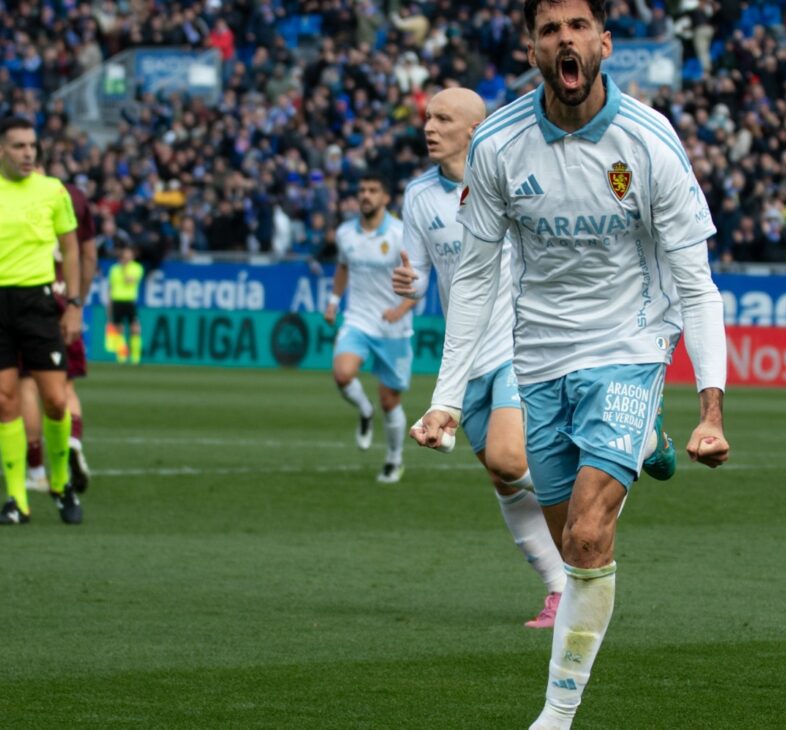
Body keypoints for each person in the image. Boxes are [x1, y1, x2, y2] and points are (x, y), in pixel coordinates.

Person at [409, 2, 729, 726]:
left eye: (578, 26)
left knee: (587, 535)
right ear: (533, 49)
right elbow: (474, 280)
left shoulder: (649, 140)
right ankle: (645, 442)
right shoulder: (500, 144)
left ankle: (555, 716)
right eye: (550, 30)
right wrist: (446, 399)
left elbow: (696, 284)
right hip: (539, 356)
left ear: (603, 43)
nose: (565, 40)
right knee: (571, 547)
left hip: (630, 346)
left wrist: (711, 408)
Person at [392, 87, 567, 628]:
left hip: (520, 343)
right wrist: (410, 285)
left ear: (474, 130)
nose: (430, 127)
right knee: (503, 479)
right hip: (465, 357)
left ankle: (595, 495)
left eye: (443, 118)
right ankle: (561, 589)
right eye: (427, 117)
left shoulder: (511, 176)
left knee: (509, 459)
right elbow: (421, 274)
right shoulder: (419, 196)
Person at [0, 116, 84, 524]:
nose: (29, 153)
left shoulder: (52, 191)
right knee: (5, 399)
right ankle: (17, 500)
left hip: (37, 301)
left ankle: (60, 484)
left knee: (56, 399)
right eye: (20, 146)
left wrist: (74, 304)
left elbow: (71, 249)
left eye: (32, 146)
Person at [324, 175, 415, 483]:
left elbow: (418, 278)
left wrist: (401, 309)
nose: (365, 195)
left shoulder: (401, 233)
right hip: (358, 320)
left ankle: (394, 459)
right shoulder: (345, 233)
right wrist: (333, 301)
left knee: (390, 400)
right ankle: (365, 410)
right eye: (362, 189)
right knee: (342, 374)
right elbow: (343, 267)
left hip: (394, 328)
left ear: (385, 197)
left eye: (373, 190)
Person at [22, 168, 98, 494]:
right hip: (66, 298)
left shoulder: (17, 194)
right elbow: (89, 255)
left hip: (30, 295)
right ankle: (73, 442)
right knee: (65, 385)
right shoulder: (75, 197)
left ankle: (37, 470)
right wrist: (77, 301)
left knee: (28, 384)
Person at [107, 245, 144, 365]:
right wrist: (109, 305)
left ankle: (135, 358)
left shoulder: (137, 268)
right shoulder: (114, 269)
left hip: (129, 301)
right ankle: (122, 357)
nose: (127, 258)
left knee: (135, 328)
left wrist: (124, 268)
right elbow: (110, 288)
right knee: (119, 329)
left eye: (129, 255)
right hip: (117, 301)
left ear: (132, 256)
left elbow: (129, 281)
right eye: (125, 255)